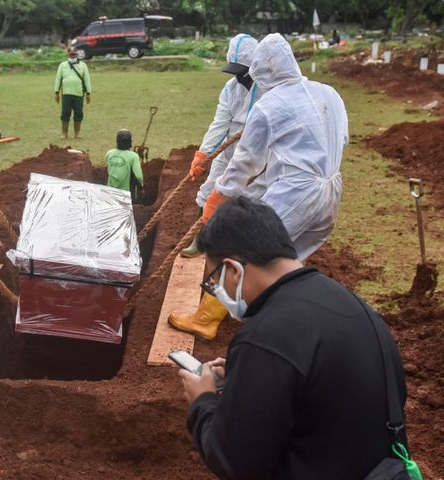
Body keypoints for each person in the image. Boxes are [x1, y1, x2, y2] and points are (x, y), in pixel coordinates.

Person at [178, 196, 411, 480]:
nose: (215, 289)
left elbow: (234, 462)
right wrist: (250, 377)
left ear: (234, 270)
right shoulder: (355, 306)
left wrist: (203, 400)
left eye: (214, 280)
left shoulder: (265, 336)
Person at [170, 33, 348, 341]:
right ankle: (279, 314)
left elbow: (245, 164)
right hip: (331, 191)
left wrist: (217, 198)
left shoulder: (269, 105)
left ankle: (206, 318)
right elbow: (336, 142)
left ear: (261, 71)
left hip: (296, 193)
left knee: (242, 247)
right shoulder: (328, 93)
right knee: (289, 258)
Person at [181, 34, 262, 259]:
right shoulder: (229, 89)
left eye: (241, 72)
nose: (237, 77)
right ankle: (201, 238)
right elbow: (219, 123)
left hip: (257, 156)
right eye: (234, 72)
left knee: (250, 200)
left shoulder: (268, 88)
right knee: (208, 192)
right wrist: (203, 154)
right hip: (228, 151)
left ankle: (245, 245)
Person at [54, 46, 91, 139]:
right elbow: (58, 79)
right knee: (65, 113)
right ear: (68, 55)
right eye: (71, 54)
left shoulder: (83, 65)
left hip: (78, 93)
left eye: (74, 54)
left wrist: (88, 93)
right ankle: (64, 133)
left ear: (77, 54)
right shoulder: (62, 65)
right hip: (66, 93)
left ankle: (77, 133)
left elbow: (87, 80)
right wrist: (56, 92)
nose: (72, 56)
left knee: (78, 113)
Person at [106, 129, 143, 201]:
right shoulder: (134, 156)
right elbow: (138, 176)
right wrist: (141, 188)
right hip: (126, 194)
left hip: (110, 192)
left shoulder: (109, 153)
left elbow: (108, 169)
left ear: (117, 141)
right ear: (130, 142)